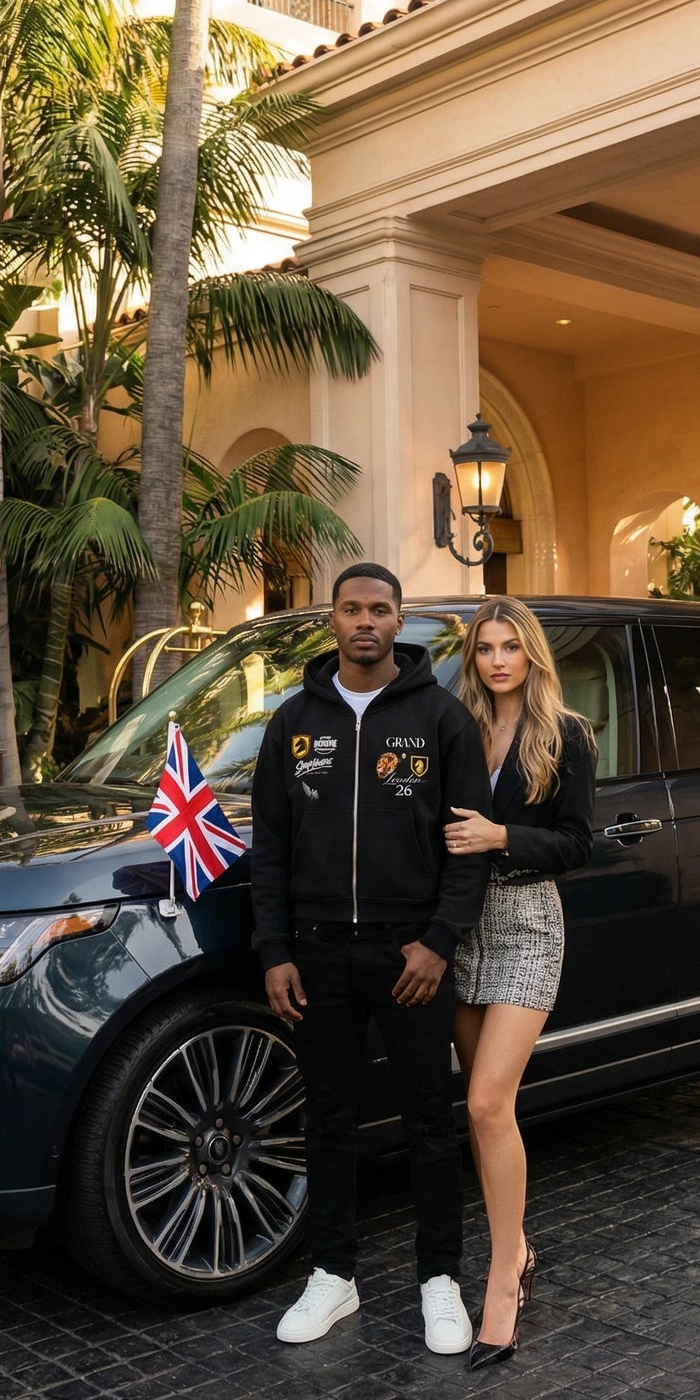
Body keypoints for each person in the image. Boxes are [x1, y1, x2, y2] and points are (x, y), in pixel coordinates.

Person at [252, 563, 492, 1353]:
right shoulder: (292, 723)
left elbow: (467, 850)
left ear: (400, 622)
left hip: (410, 956)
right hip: (317, 956)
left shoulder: (443, 720)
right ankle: (334, 1276)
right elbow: (272, 849)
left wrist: (436, 942)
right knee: (328, 1118)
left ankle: (438, 1280)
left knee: (428, 1120)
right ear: (331, 620)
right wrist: (275, 950)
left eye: (379, 610)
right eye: (351, 609)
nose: (365, 622)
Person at [444, 596, 594, 1367]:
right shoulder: (455, 728)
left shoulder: (565, 735)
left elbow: (577, 843)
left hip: (528, 920)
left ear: (531, 654)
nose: (497, 659)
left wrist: (502, 835)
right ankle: (520, 1245)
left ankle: (503, 1279)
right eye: (484, 648)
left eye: (509, 646)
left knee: (484, 1100)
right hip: (458, 924)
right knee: (480, 1113)